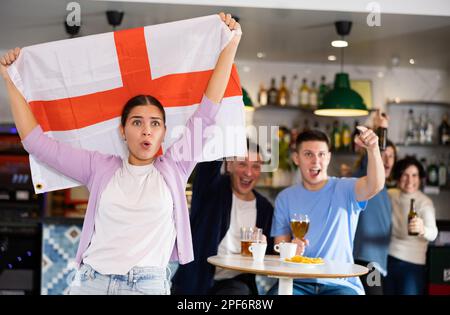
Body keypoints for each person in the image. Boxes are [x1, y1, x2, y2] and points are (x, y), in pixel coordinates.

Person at [0, 12, 242, 295]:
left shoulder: (175, 165)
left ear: (164, 132)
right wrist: (10, 80)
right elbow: (35, 143)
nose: (146, 131)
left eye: (155, 124)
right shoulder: (98, 167)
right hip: (92, 282)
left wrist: (231, 43)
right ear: (122, 131)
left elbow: (208, 111)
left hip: (147, 285)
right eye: (137, 122)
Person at [269, 127, 385, 295]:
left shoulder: (346, 188)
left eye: (321, 154)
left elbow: (375, 185)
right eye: (308, 154)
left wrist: (373, 149)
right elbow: (279, 246)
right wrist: (290, 249)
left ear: (329, 157)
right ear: (296, 158)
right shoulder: (285, 198)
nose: (316, 161)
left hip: (340, 282)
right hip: (297, 283)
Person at [172, 140, 274, 295]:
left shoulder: (264, 208)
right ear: (229, 165)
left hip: (235, 285)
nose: (248, 172)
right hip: (195, 282)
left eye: (256, 166)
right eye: (242, 164)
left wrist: (264, 247)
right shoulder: (211, 190)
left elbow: (272, 255)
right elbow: (208, 164)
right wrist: (226, 130)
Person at [353, 112, 397, 295]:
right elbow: (371, 157)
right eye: (382, 155)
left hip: (377, 261)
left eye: (391, 156)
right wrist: (383, 128)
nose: (386, 161)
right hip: (365, 259)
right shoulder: (367, 176)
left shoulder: (386, 189)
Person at [384, 157, 438, 295]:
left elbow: (433, 233)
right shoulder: (391, 195)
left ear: (420, 178)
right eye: (405, 175)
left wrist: (422, 229)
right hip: (388, 260)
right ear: (398, 176)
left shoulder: (424, 203)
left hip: (413, 265)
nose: (410, 180)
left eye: (414, 175)